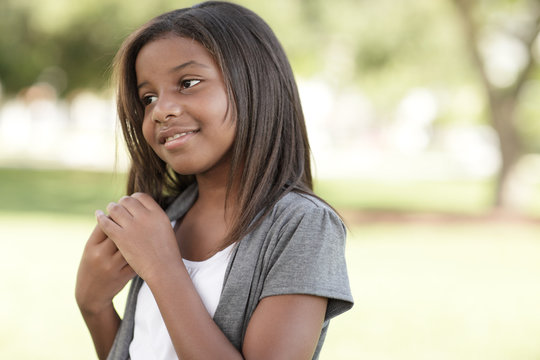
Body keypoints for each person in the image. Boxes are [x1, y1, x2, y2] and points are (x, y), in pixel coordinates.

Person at [75, 2, 353, 359]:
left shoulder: (303, 226)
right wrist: (93, 306)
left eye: (188, 83)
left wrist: (162, 268)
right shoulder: (165, 216)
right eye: (148, 97)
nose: (161, 110)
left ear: (254, 84)